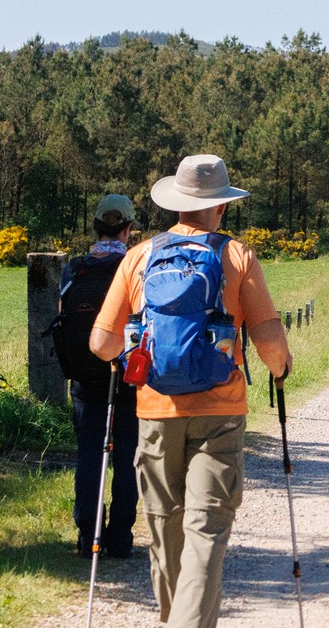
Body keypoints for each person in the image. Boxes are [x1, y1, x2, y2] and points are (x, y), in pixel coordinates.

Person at [90, 154, 293, 627]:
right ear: (221, 206)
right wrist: (281, 368)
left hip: (156, 411)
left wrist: (135, 357)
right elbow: (269, 343)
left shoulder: (139, 256)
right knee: (206, 531)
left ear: (176, 203)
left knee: (166, 532)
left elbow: (101, 342)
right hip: (220, 412)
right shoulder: (237, 256)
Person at [66, 194, 139, 559]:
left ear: (95, 227)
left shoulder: (75, 268)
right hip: (126, 375)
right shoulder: (134, 265)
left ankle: (87, 535)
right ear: (128, 229)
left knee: (89, 454)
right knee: (126, 455)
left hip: (85, 375)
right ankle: (121, 537)